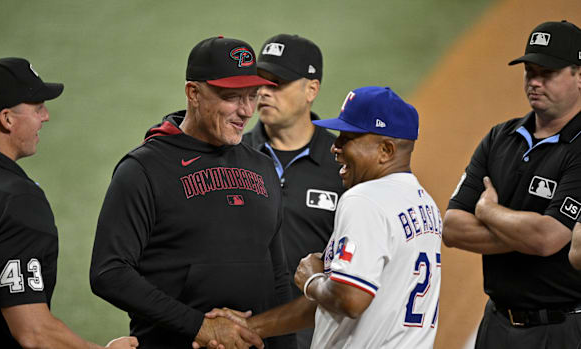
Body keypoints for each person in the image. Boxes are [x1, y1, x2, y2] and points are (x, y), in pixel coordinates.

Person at [89, 36, 296, 349]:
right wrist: (199, 327)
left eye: (252, 96)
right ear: (194, 93)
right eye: (232, 97)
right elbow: (109, 271)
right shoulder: (144, 169)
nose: (246, 110)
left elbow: (277, 276)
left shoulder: (263, 167)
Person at [197, 86, 442, 349]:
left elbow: (350, 299)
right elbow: (333, 301)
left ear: (386, 150)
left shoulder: (365, 200)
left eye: (348, 138)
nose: (335, 147)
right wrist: (248, 329)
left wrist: (312, 281)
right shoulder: (424, 204)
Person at [0, 58, 138, 348]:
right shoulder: (16, 201)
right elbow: (34, 332)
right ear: (6, 119)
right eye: (37, 107)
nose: (46, 116)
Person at [443, 20, 581, 349]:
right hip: (496, 324)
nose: (534, 81)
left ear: (579, 75)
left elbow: (549, 238)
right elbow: (451, 228)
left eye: (546, 73)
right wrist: (525, 229)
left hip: (561, 330)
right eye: (529, 71)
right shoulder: (500, 137)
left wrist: (488, 210)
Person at [241, 34, 345, 348]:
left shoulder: (342, 162)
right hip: (242, 326)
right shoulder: (232, 156)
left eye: (278, 83)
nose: (263, 92)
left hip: (314, 329)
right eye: (260, 82)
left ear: (311, 89)